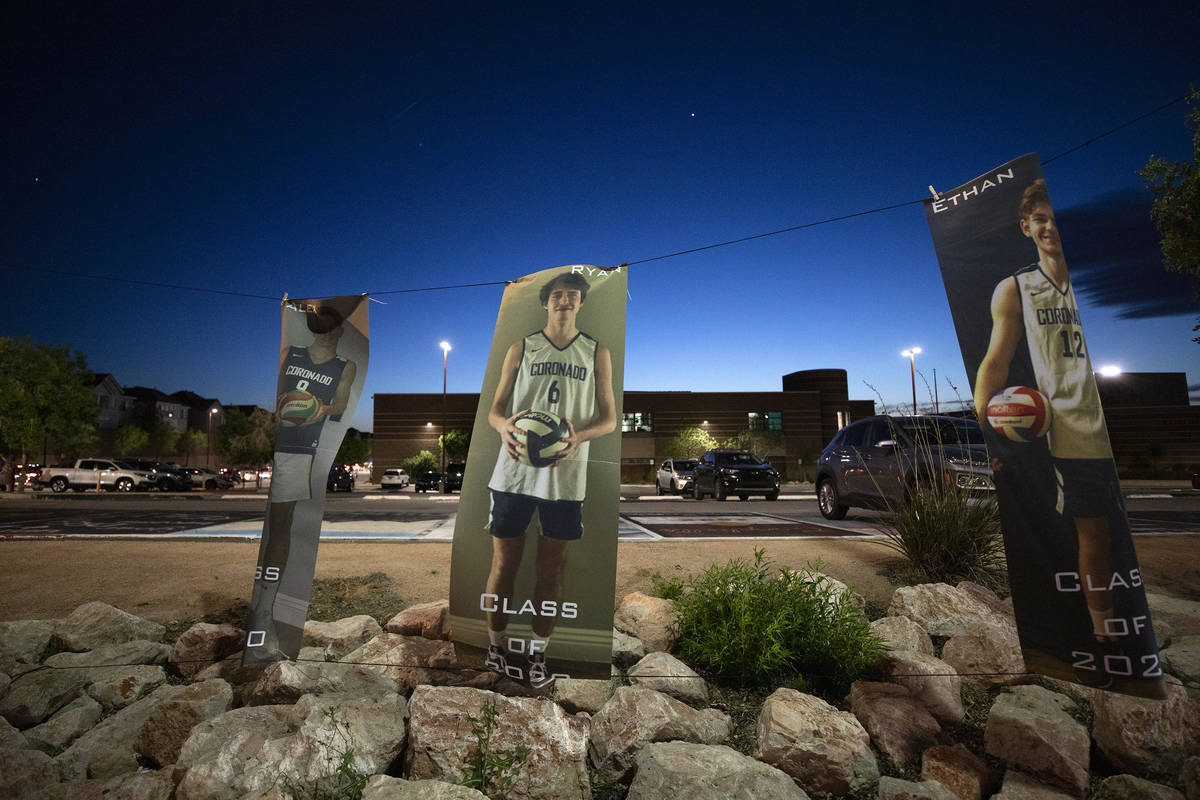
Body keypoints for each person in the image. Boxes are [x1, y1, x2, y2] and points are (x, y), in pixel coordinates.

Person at [973, 179, 1120, 685]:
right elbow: (995, 362)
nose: (1049, 225)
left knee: (1113, 537)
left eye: (1054, 216)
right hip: (1065, 431)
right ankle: (1100, 640)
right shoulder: (1016, 288)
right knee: (1089, 536)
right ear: (1026, 226)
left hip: (1103, 425)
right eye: (1039, 218)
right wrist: (989, 428)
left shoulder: (1087, 282)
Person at [483, 271, 617, 688]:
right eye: (558, 295)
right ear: (546, 302)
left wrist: (577, 437)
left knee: (551, 571)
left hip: (565, 476)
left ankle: (539, 654)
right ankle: (495, 645)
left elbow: (610, 419)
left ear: (580, 303)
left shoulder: (597, 351)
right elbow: (495, 410)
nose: (564, 300)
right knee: (504, 565)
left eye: (572, 295)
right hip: (513, 474)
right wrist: (504, 427)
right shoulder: (521, 347)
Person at [245, 302, 358, 662]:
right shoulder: (290, 353)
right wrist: (286, 406)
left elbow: (339, 404)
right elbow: (280, 399)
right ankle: (266, 608)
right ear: (313, 329)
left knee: (287, 526)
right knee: (280, 525)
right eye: (317, 325)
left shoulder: (345, 366)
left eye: (328, 326)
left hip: (308, 449)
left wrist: (318, 407)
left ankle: (271, 607)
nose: (323, 330)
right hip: (286, 447)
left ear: (339, 331)